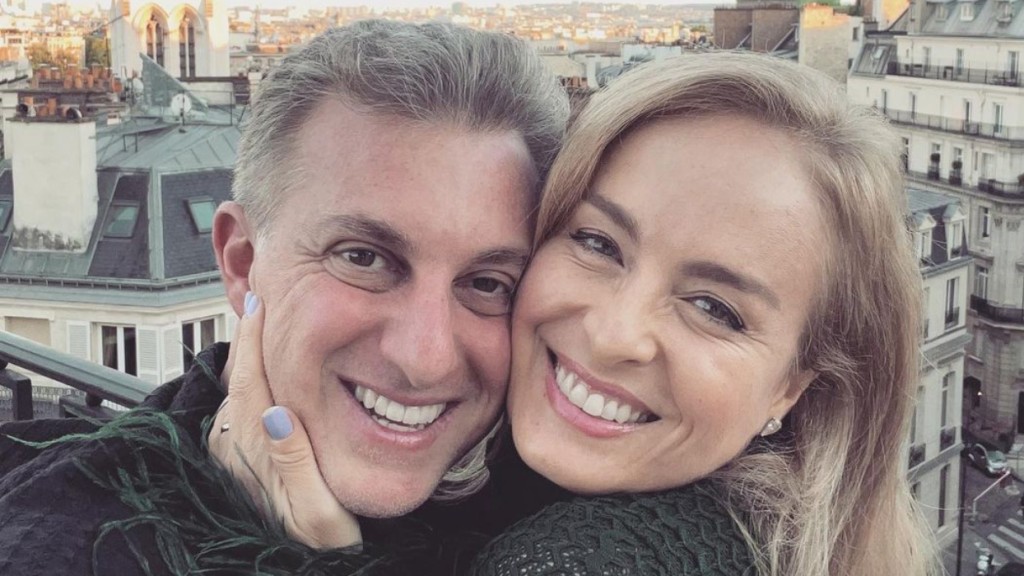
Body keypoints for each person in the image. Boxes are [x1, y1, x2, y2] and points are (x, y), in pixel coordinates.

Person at [222, 52, 941, 575]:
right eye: (598, 243)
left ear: (791, 387)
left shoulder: (579, 559)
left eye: (714, 308)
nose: (613, 333)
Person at [0, 19, 568, 575]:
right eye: (363, 258)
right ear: (242, 263)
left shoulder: (546, 516)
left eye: (487, 283)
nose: (426, 359)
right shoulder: (63, 548)